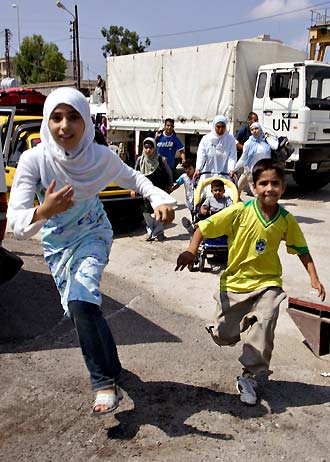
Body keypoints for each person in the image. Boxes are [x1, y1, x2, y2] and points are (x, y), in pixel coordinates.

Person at [7, 87, 176, 416]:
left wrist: (159, 199)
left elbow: (137, 178)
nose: (64, 126)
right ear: (47, 121)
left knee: (81, 300)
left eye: (73, 117)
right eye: (56, 117)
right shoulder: (34, 161)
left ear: (86, 122)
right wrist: (45, 210)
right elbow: (17, 225)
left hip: (93, 235)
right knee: (85, 308)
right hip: (57, 245)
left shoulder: (100, 157)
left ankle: (102, 382)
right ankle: (113, 366)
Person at [175, 158, 325, 406]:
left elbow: (301, 249)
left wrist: (314, 278)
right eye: (263, 183)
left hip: (267, 283)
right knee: (224, 336)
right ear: (254, 187)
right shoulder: (239, 211)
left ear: (283, 187)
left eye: (275, 183)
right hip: (235, 285)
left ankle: (249, 376)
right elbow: (202, 228)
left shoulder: (286, 219)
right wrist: (191, 251)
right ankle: (224, 327)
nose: (270, 188)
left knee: (266, 322)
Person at [134, 137, 173, 241]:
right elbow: (135, 174)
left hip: (159, 191)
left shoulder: (161, 159)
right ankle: (150, 231)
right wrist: (133, 188)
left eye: (150, 148)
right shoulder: (140, 160)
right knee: (147, 212)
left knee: (159, 212)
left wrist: (170, 186)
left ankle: (158, 233)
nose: (148, 150)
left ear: (154, 148)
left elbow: (169, 174)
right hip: (146, 192)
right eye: (146, 147)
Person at [234, 122, 278, 198]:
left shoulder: (266, 140)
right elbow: (243, 158)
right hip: (250, 170)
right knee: (254, 192)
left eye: (256, 128)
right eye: (252, 129)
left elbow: (275, 146)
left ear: (260, 129)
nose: (254, 131)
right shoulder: (248, 143)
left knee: (246, 186)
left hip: (264, 170)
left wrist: (267, 138)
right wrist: (234, 169)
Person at [195, 115, 237, 182]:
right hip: (208, 175)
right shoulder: (206, 139)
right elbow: (201, 155)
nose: (221, 129)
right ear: (214, 126)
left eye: (223, 127)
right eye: (218, 127)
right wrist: (198, 168)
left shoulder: (230, 140)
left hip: (224, 174)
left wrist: (231, 169)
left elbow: (232, 157)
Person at [170, 159, 196, 236]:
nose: (188, 171)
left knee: (197, 217)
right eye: (186, 169)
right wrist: (170, 190)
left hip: (198, 201)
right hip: (190, 202)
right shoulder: (184, 177)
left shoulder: (198, 177)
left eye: (190, 169)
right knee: (193, 215)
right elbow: (177, 184)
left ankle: (196, 230)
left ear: (194, 168)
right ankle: (194, 230)